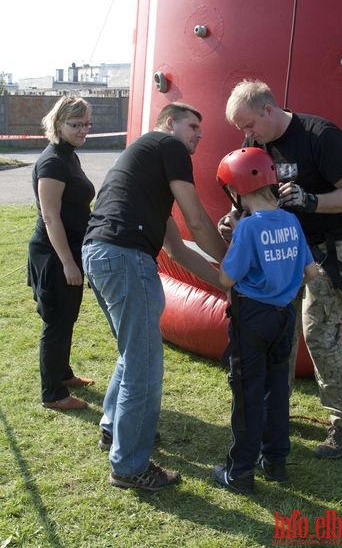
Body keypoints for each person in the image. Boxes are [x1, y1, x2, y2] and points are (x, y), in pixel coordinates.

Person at [82, 102, 227, 493]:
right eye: (193, 125)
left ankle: (114, 431)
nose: (198, 134)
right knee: (144, 366)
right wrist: (235, 264)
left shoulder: (146, 169)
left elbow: (178, 250)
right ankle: (129, 466)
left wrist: (224, 284)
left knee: (133, 355)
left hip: (101, 254)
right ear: (169, 123)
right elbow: (196, 219)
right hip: (125, 258)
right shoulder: (168, 146)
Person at [220, 79, 342, 459]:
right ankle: (275, 409)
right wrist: (237, 218)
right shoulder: (258, 144)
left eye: (249, 125)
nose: (246, 136)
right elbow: (256, 193)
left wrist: (312, 200)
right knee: (279, 326)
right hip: (283, 246)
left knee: (319, 332)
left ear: (269, 109)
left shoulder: (321, 135)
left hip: (326, 246)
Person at [212, 147, 316, 493]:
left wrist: (236, 237)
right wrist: (282, 283)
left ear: (236, 190)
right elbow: (311, 272)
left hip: (252, 318)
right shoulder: (291, 220)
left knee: (247, 393)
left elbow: (227, 279)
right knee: (276, 391)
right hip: (284, 316)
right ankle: (276, 462)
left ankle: (240, 471)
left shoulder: (249, 228)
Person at [28, 96, 96, 410]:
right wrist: (68, 262)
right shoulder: (53, 160)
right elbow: (50, 216)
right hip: (55, 254)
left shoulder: (69, 155)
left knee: (67, 315)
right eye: (76, 124)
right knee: (56, 321)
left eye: (86, 124)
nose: (83, 129)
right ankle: (53, 394)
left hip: (70, 250)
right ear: (58, 124)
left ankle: (63, 374)